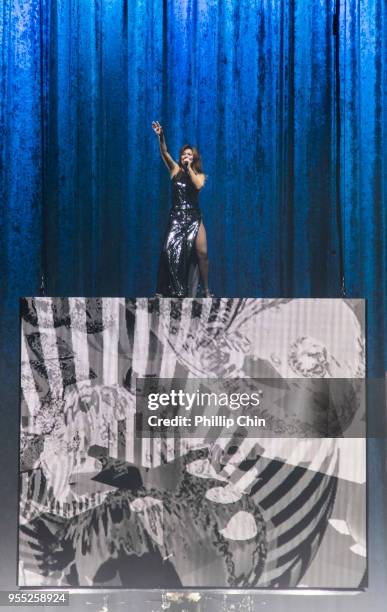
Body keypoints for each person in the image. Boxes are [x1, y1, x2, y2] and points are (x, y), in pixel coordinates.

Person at [152, 121, 212, 297]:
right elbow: (164, 152)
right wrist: (161, 136)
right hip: (177, 217)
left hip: (193, 217)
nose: (186, 156)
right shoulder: (174, 169)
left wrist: (189, 169)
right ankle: (162, 291)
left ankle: (207, 291)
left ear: (194, 158)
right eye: (184, 154)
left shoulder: (199, 175)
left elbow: (198, 186)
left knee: (202, 252)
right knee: (167, 250)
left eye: (190, 154)